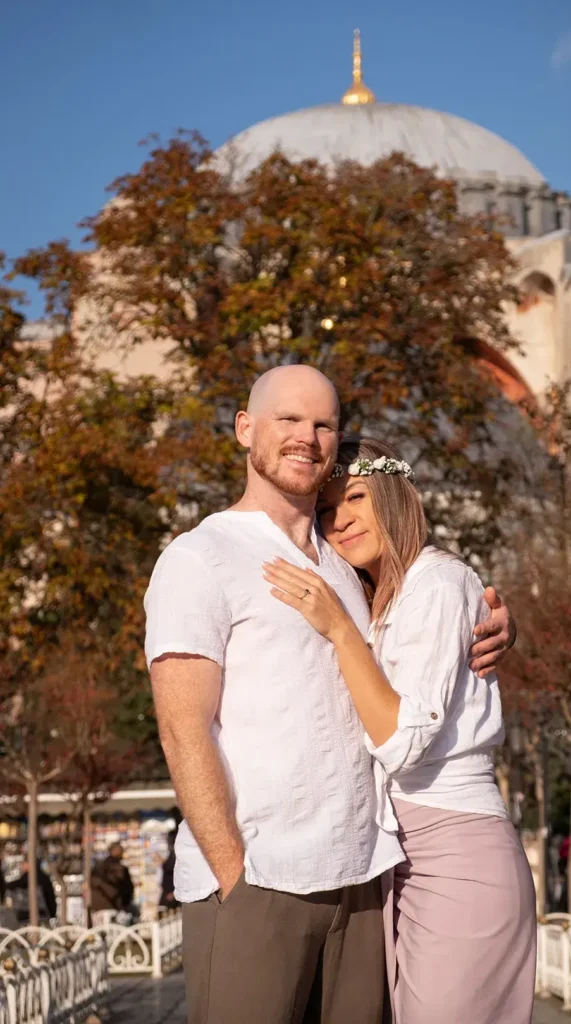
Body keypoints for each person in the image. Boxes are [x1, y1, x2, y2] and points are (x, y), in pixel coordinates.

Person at [145, 365, 515, 1024]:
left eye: (323, 424)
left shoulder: (346, 564)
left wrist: (490, 625)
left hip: (366, 878)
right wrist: (234, 874)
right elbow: (182, 730)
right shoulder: (200, 556)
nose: (307, 437)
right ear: (244, 429)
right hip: (260, 879)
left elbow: (423, 619)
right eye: (287, 420)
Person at [264, 435, 536, 1024]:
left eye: (355, 496)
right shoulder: (384, 598)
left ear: (393, 492)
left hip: (456, 851)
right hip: (399, 857)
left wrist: (339, 630)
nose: (342, 520)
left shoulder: (437, 584)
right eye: (328, 509)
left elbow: (402, 742)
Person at [90, 842, 135, 917]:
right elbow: (127, 889)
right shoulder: (120, 869)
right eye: (122, 851)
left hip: (95, 906)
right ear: (117, 851)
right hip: (114, 905)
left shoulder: (98, 866)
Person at [6, 857, 57, 922]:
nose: (22, 866)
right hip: (43, 913)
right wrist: (52, 913)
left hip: (28, 912)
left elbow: (14, 885)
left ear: (29, 864)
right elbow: (50, 898)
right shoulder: (44, 877)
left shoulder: (29, 876)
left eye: (23, 863)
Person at [159, 831, 180, 910]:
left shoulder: (176, 855)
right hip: (169, 893)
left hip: (172, 894)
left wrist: (174, 893)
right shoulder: (173, 853)